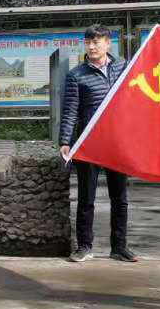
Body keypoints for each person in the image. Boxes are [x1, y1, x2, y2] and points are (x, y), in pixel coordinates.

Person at [58, 25, 135, 263]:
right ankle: (84, 246)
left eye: (96, 42)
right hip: (88, 144)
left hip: (116, 142)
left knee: (119, 198)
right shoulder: (76, 75)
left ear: (108, 43)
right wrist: (65, 140)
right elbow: (70, 111)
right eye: (88, 42)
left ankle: (119, 247)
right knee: (86, 198)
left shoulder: (123, 67)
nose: (91, 47)